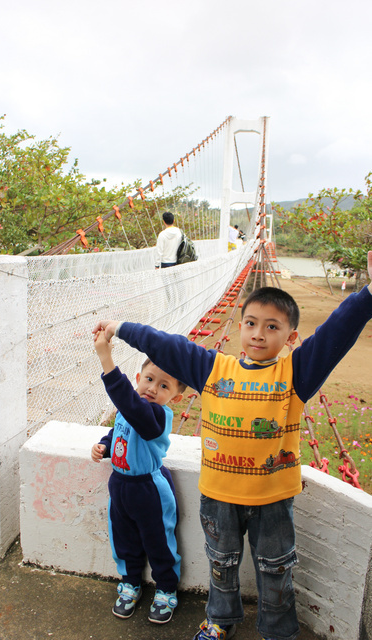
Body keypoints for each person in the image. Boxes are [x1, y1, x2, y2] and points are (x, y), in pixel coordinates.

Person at [92, 251, 372, 640]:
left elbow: (335, 334)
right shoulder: (214, 369)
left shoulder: (295, 374)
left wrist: (369, 294)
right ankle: (220, 621)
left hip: (273, 499)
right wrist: (120, 327)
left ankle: (278, 632)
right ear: (241, 327)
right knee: (221, 565)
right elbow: (167, 345)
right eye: (252, 323)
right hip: (219, 496)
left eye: (271, 327)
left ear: (289, 338)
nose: (258, 333)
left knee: (275, 569)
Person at [91, 329, 186, 624]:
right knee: (124, 538)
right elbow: (120, 426)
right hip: (120, 485)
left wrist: (106, 358)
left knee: (158, 540)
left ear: (176, 396)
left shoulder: (157, 417)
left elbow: (132, 409)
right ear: (138, 377)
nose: (153, 388)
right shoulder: (128, 409)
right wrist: (105, 445)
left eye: (164, 385)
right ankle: (130, 582)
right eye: (149, 379)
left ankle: (166, 589)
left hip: (148, 490)